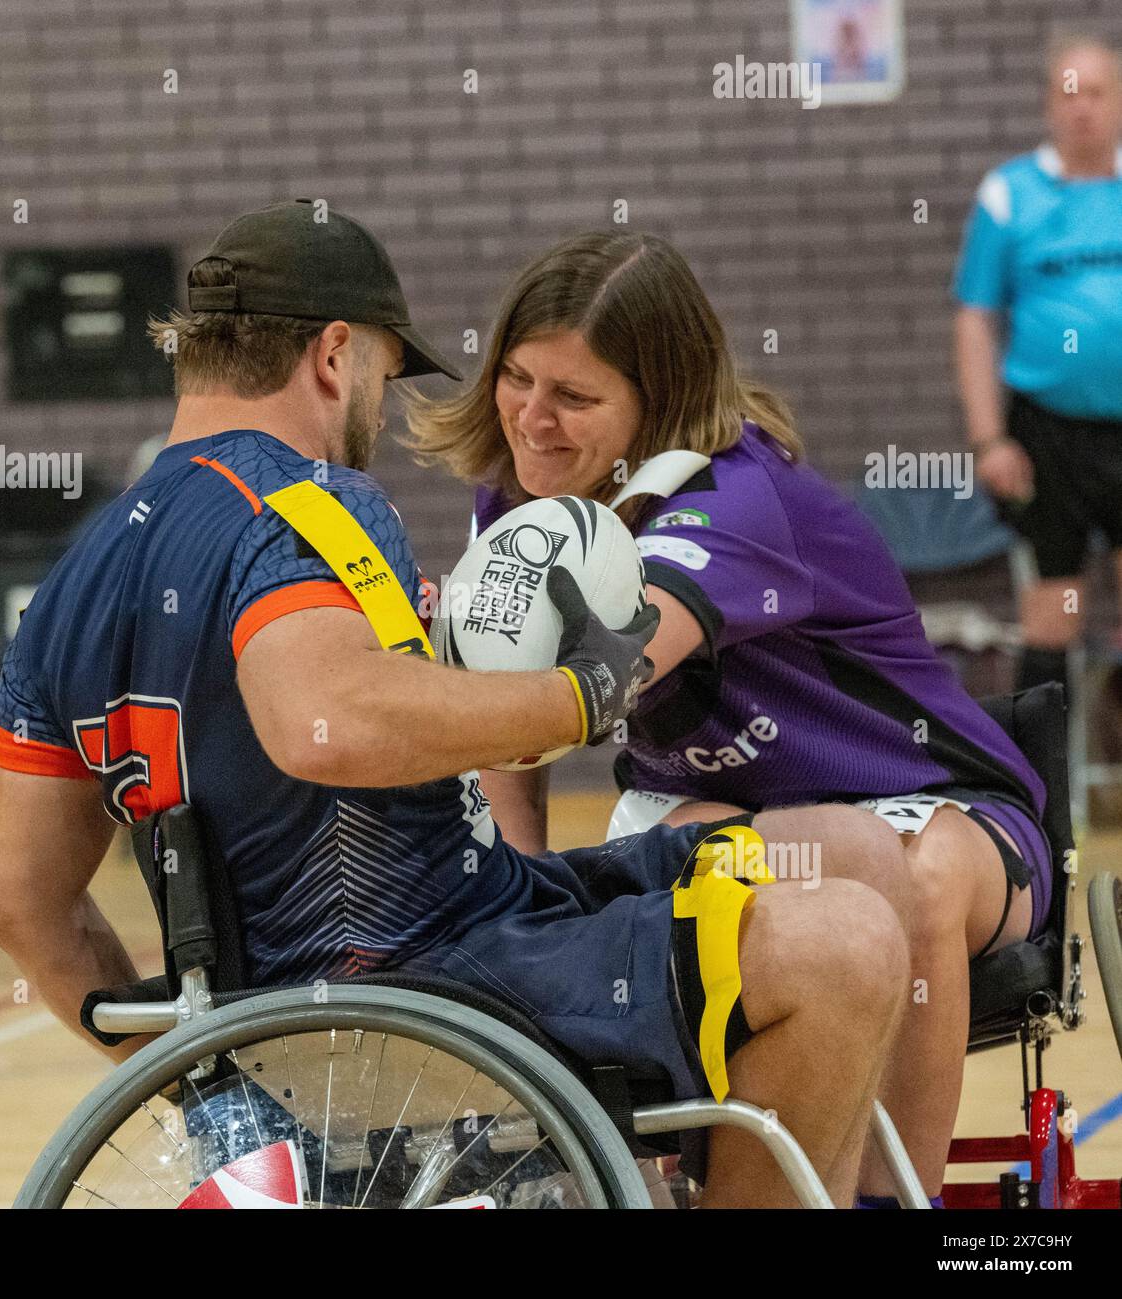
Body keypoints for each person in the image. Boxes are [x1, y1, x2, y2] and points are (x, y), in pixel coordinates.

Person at [0, 200, 908, 1208]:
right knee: (842, 947)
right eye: (385, 367)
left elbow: (20, 906)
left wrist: (200, 1073)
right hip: (427, 986)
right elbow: (324, 722)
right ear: (335, 354)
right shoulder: (305, 502)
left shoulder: (73, 586)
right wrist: (576, 696)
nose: (382, 399)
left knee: (848, 855)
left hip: (332, 1006)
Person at [407, 228, 1053, 1205]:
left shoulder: (737, 496)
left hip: (934, 800)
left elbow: (596, 679)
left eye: (574, 397)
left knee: (908, 885)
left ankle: (887, 1199)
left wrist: (420, 670)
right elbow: (516, 740)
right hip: (710, 804)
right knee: (685, 874)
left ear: (656, 404)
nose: (531, 419)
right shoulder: (513, 495)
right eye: (517, 378)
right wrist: (518, 891)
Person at [954, 32, 1122, 696]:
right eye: (1069, 93)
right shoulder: (1008, 195)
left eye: (1099, 92)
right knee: (1052, 613)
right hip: (1047, 435)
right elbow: (973, 316)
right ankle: (1042, 796)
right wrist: (988, 437)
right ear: (1050, 105)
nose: (1084, 108)